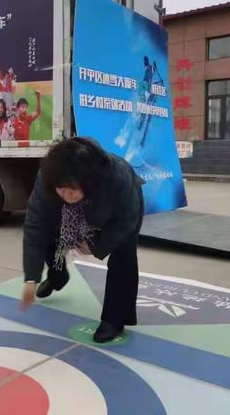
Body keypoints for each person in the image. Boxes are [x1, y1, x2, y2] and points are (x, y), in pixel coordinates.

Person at [20, 137, 144, 343]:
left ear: (89, 183)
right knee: (50, 230)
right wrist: (31, 278)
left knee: (125, 253)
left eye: (72, 190)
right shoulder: (49, 177)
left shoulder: (118, 177)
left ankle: (115, 319)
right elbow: (35, 226)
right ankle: (57, 276)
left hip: (118, 212)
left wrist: (96, 245)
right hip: (85, 205)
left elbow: (127, 220)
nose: (67, 195)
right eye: (62, 189)